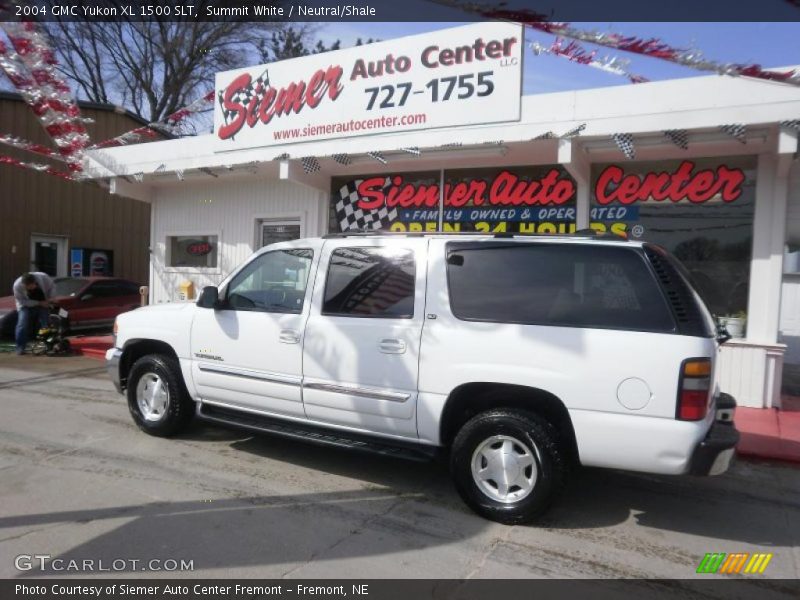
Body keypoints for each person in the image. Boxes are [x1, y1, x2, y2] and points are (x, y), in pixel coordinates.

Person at [12, 272, 54, 355]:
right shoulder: (17, 286)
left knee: (45, 323)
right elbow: (22, 301)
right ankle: (20, 347)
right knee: (22, 323)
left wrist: (51, 299)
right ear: (23, 285)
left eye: (32, 286)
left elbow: (52, 287)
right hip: (25, 304)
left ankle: (48, 345)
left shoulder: (44, 278)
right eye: (28, 287)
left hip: (43, 301)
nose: (30, 289)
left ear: (35, 282)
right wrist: (39, 303)